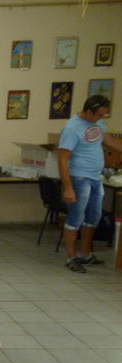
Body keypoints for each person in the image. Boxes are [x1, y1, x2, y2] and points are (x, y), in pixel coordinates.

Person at [58, 94, 122, 273]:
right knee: (75, 218)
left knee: (93, 217)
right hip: (79, 178)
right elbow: (62, 159)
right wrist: (68, 187)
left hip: (95, 178)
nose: (102, 118)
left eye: (104, 114)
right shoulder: (72, 128)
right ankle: (71, 257)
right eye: (99, 114)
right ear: (88, 111)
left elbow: (110, 141)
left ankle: (86, 254)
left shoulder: (98, 123)